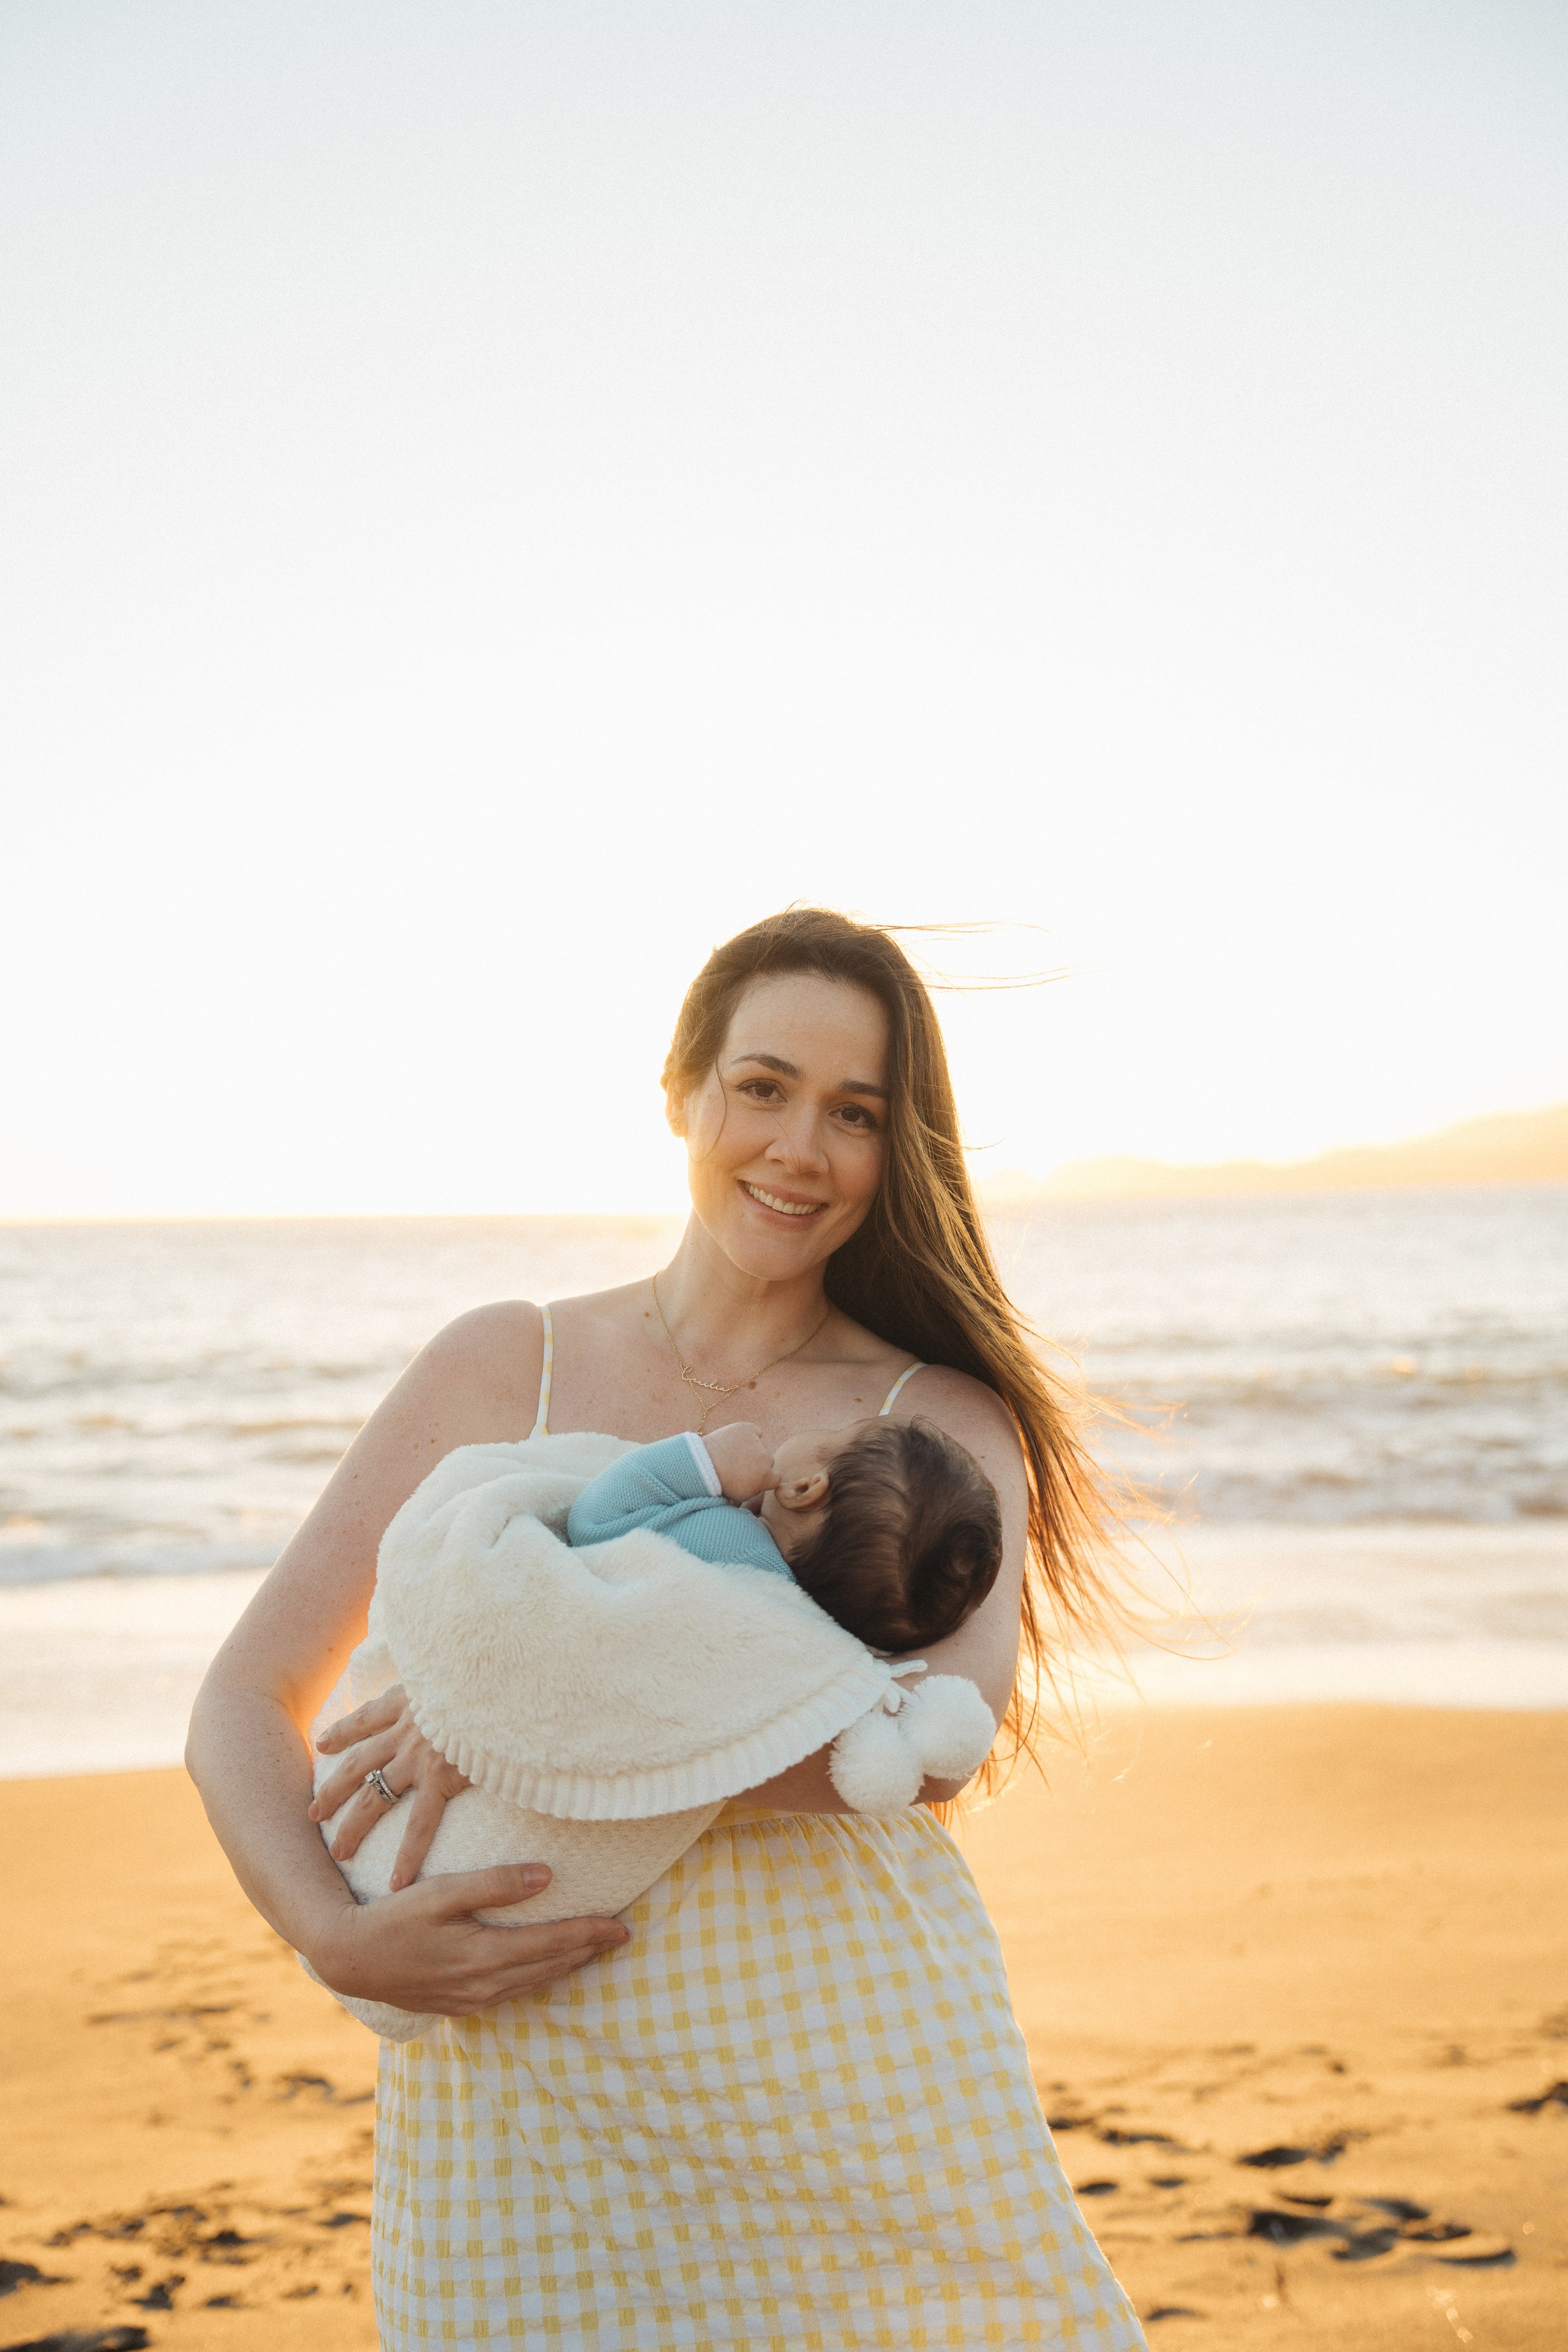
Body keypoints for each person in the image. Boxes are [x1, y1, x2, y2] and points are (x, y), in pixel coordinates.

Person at [187, 906, 1148, 2349]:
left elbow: (928, 1745)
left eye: (854, 1112)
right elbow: (243, 1698)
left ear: (897, 1151)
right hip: (518, 2092)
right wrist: (331, 1933)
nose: (797, 1146)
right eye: (761, 1085)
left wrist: (507, 1706)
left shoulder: (935, 1417)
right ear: (680, 1091)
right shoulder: (503, 1358)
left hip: (842, 2076)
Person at [565, 1409, 1005, 1649]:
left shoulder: (725, 1542)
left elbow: (593, 1525)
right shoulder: (805, 1632)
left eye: (834, 1431)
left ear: (804, 1488)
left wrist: (706, 1462)